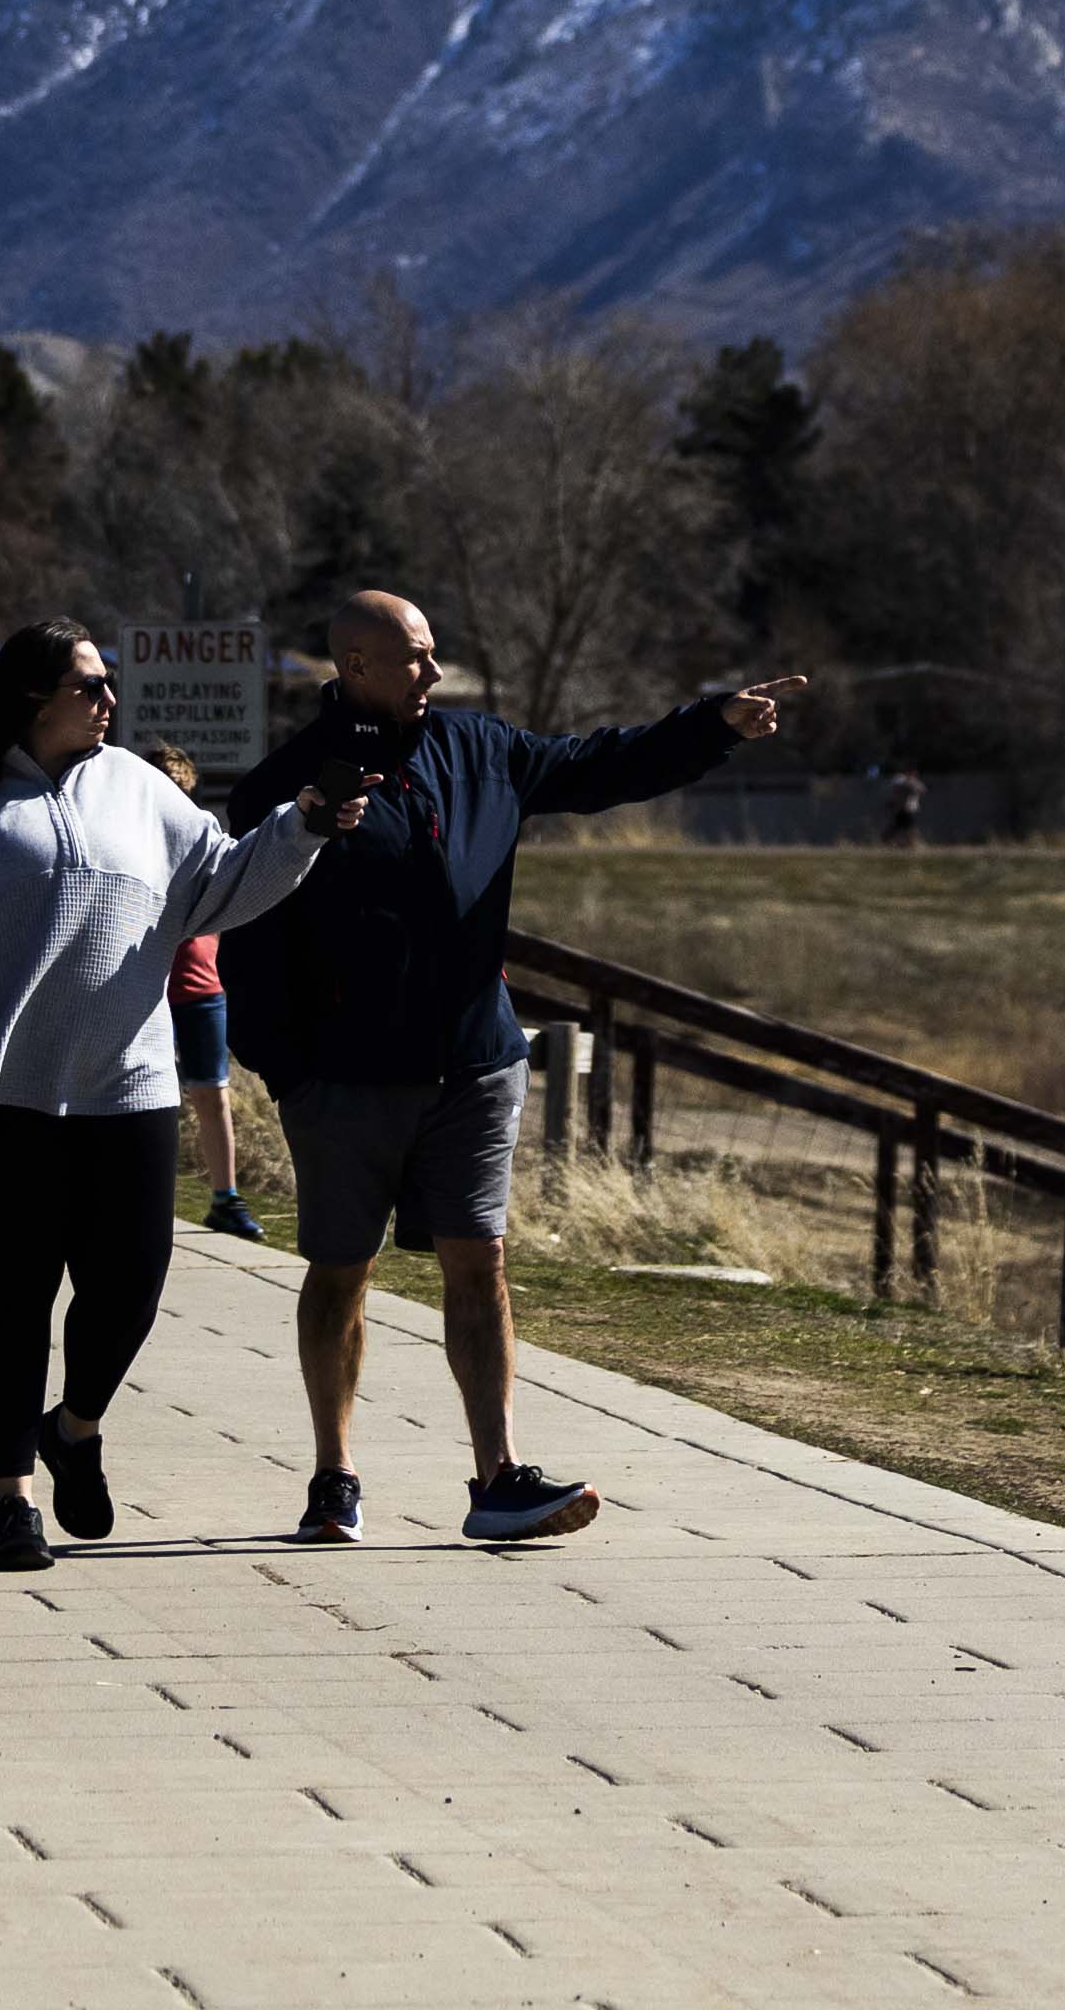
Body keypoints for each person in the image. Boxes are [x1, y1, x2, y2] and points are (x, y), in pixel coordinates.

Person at [221, 594, 803, 1547]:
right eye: (415, 657)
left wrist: (715, 726)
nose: (434, 672)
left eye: (434, 653)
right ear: (358, 666)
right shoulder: (287, 786)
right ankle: (335, 1476)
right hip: (346, 1079)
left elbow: (602, 764)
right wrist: (291, 1070)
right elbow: (243, 937)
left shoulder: (479, 749)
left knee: (479, 1263)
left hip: (477, 1063)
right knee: (340, 1272)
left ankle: (496, 1478)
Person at [0, 621, 355, 1573]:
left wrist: (302, 826)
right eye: (87, 686)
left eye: (108, 685)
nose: (106, 701)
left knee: (129, 1287)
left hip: (128, 1095)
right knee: (9, 1302)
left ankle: (76, 1425)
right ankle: (15, 1500)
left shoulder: (137, 787)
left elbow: (220, 882)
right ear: (31, 697)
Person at [156, 753, 265, 1245]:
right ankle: (147, 1196)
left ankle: (226, 1199)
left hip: (201, 986)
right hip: (148, 987)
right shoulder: (129, 840)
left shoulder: (205, 841)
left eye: (181, 792)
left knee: (212, 1094)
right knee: (146, 1101)